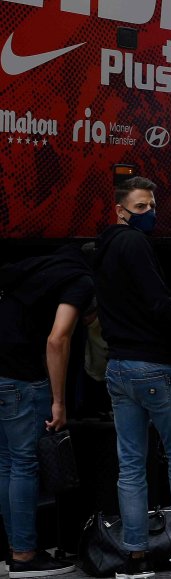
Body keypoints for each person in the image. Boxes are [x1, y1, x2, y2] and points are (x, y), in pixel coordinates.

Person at [94, 176, 171, 579]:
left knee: (130, 464)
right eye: (141, 207)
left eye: (151, 205)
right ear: (120, 210)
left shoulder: (104, 247)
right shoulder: (135, 244)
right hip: (156, 367)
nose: (150, 213)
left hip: (119, 367)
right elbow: (158, 300)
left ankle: (134, 557)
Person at [0, 247, 92, 578]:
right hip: (25, 379)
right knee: (24, 464)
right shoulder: (81, 281)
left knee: (7, 463)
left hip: (2, 375)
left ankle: (15, 550)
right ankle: (25, 556)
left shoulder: (32, 273)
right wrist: (59, 401)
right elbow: (57, 340)